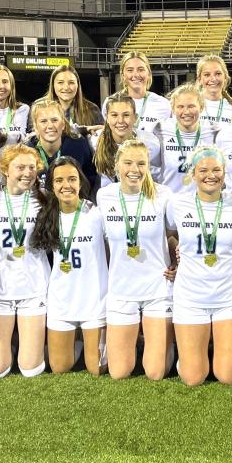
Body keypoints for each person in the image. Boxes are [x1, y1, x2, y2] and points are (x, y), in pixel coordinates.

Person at [167, 145, 232, 386]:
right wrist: (175, 252)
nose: (210, 175)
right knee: (193, 378)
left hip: (229, 293)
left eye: (216, 169)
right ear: (193, 174)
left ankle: (226, 352)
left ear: (225, 173)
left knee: (228, 376)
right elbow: (169, 233)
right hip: (191, 295)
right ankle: (192, 357)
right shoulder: (178, 204)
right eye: (203, 170)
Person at [95, 139, 175, 380]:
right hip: (121, 289)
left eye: (141, 163)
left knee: (156, 372)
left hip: (157, 288)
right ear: (116, 165)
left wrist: (177, 263)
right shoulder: (105, 196)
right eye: (128, 163)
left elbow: (172, 235)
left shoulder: (163, 194)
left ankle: (161, 344)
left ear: (149, 166)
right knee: (119, 372)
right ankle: (134, 341)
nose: (134, 169)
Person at [32, 157, 107, 376]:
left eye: (72, 179)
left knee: (97, 369)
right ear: (52, 185)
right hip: (61, 301)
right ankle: (78, 345)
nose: (66, 185)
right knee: (59, 368)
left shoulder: (96, 213)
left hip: (94, 300)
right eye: (59, 180)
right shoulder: (47, 215)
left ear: (81, 182)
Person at [0, 145, 47, 379]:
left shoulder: (44, 198)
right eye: (20, 167)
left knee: (29, 369)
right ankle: (12, 343)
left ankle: (36, 344)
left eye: (32, 167)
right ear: (5, 170)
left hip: (34, 287)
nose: (27, 172)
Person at [27, 99, 97, 197]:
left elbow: (91, 181)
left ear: (63, 124)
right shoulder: (27, 151)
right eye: (43, 121)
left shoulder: (78, 146)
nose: (50, 126)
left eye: (54, 120)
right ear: (35, 127)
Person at [92, 93, 161, 190]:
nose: (120, 120)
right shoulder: (95, 140)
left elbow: (158, 177)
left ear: (135, 118)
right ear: (107, 118)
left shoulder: (150, 143)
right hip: (108, 200)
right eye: (114, 115)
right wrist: (83, 129)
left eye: (126, 115)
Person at [157, 84, 215, 193]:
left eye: (191, 106)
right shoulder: (160, 130)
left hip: (202, 203)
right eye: (180, 107)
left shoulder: (214, 132)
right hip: (170, 204)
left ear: (201, 107)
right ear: (173, 109)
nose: (186, 112)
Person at [112, 51, 171, 134]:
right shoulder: (111, 103)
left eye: (141, 69)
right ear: (122, 75)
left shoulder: (163, 104)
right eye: (130, 70)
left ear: (149, 74)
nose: (136, 74)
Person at [42, 64, 101, 134]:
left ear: (78, 85)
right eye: (60, 83)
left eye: (71, 83)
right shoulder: (40, 108)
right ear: (53, 85)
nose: (66, 87)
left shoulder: (92, 109)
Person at [0, 64, 30, 140]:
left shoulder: (22, 109)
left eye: (5, 82)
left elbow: (24, 140)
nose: (0, 86)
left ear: (11, 85)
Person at [195, 55, 232, 129]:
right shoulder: (188, 105)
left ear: (225, 77)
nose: (213, 79)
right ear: (199, 79)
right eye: (207, 75)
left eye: (218, 74)